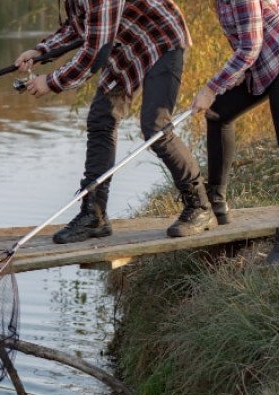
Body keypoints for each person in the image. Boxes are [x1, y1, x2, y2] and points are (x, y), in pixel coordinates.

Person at [16, 0, 215, 244]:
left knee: (155, 128)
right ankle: (94, 216)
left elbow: (94, 54)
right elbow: (77, 27)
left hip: (161, 39)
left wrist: (52, 81)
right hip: (125, 44)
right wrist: (42, 51)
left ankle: (200, 207)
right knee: (102, 119)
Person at [189, 0, 279, 264]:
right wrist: (233, 76)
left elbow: (250, 47)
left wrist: (211, 87)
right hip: (264, 64)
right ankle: (216, 204)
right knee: (217, 113)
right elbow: (244, 44)